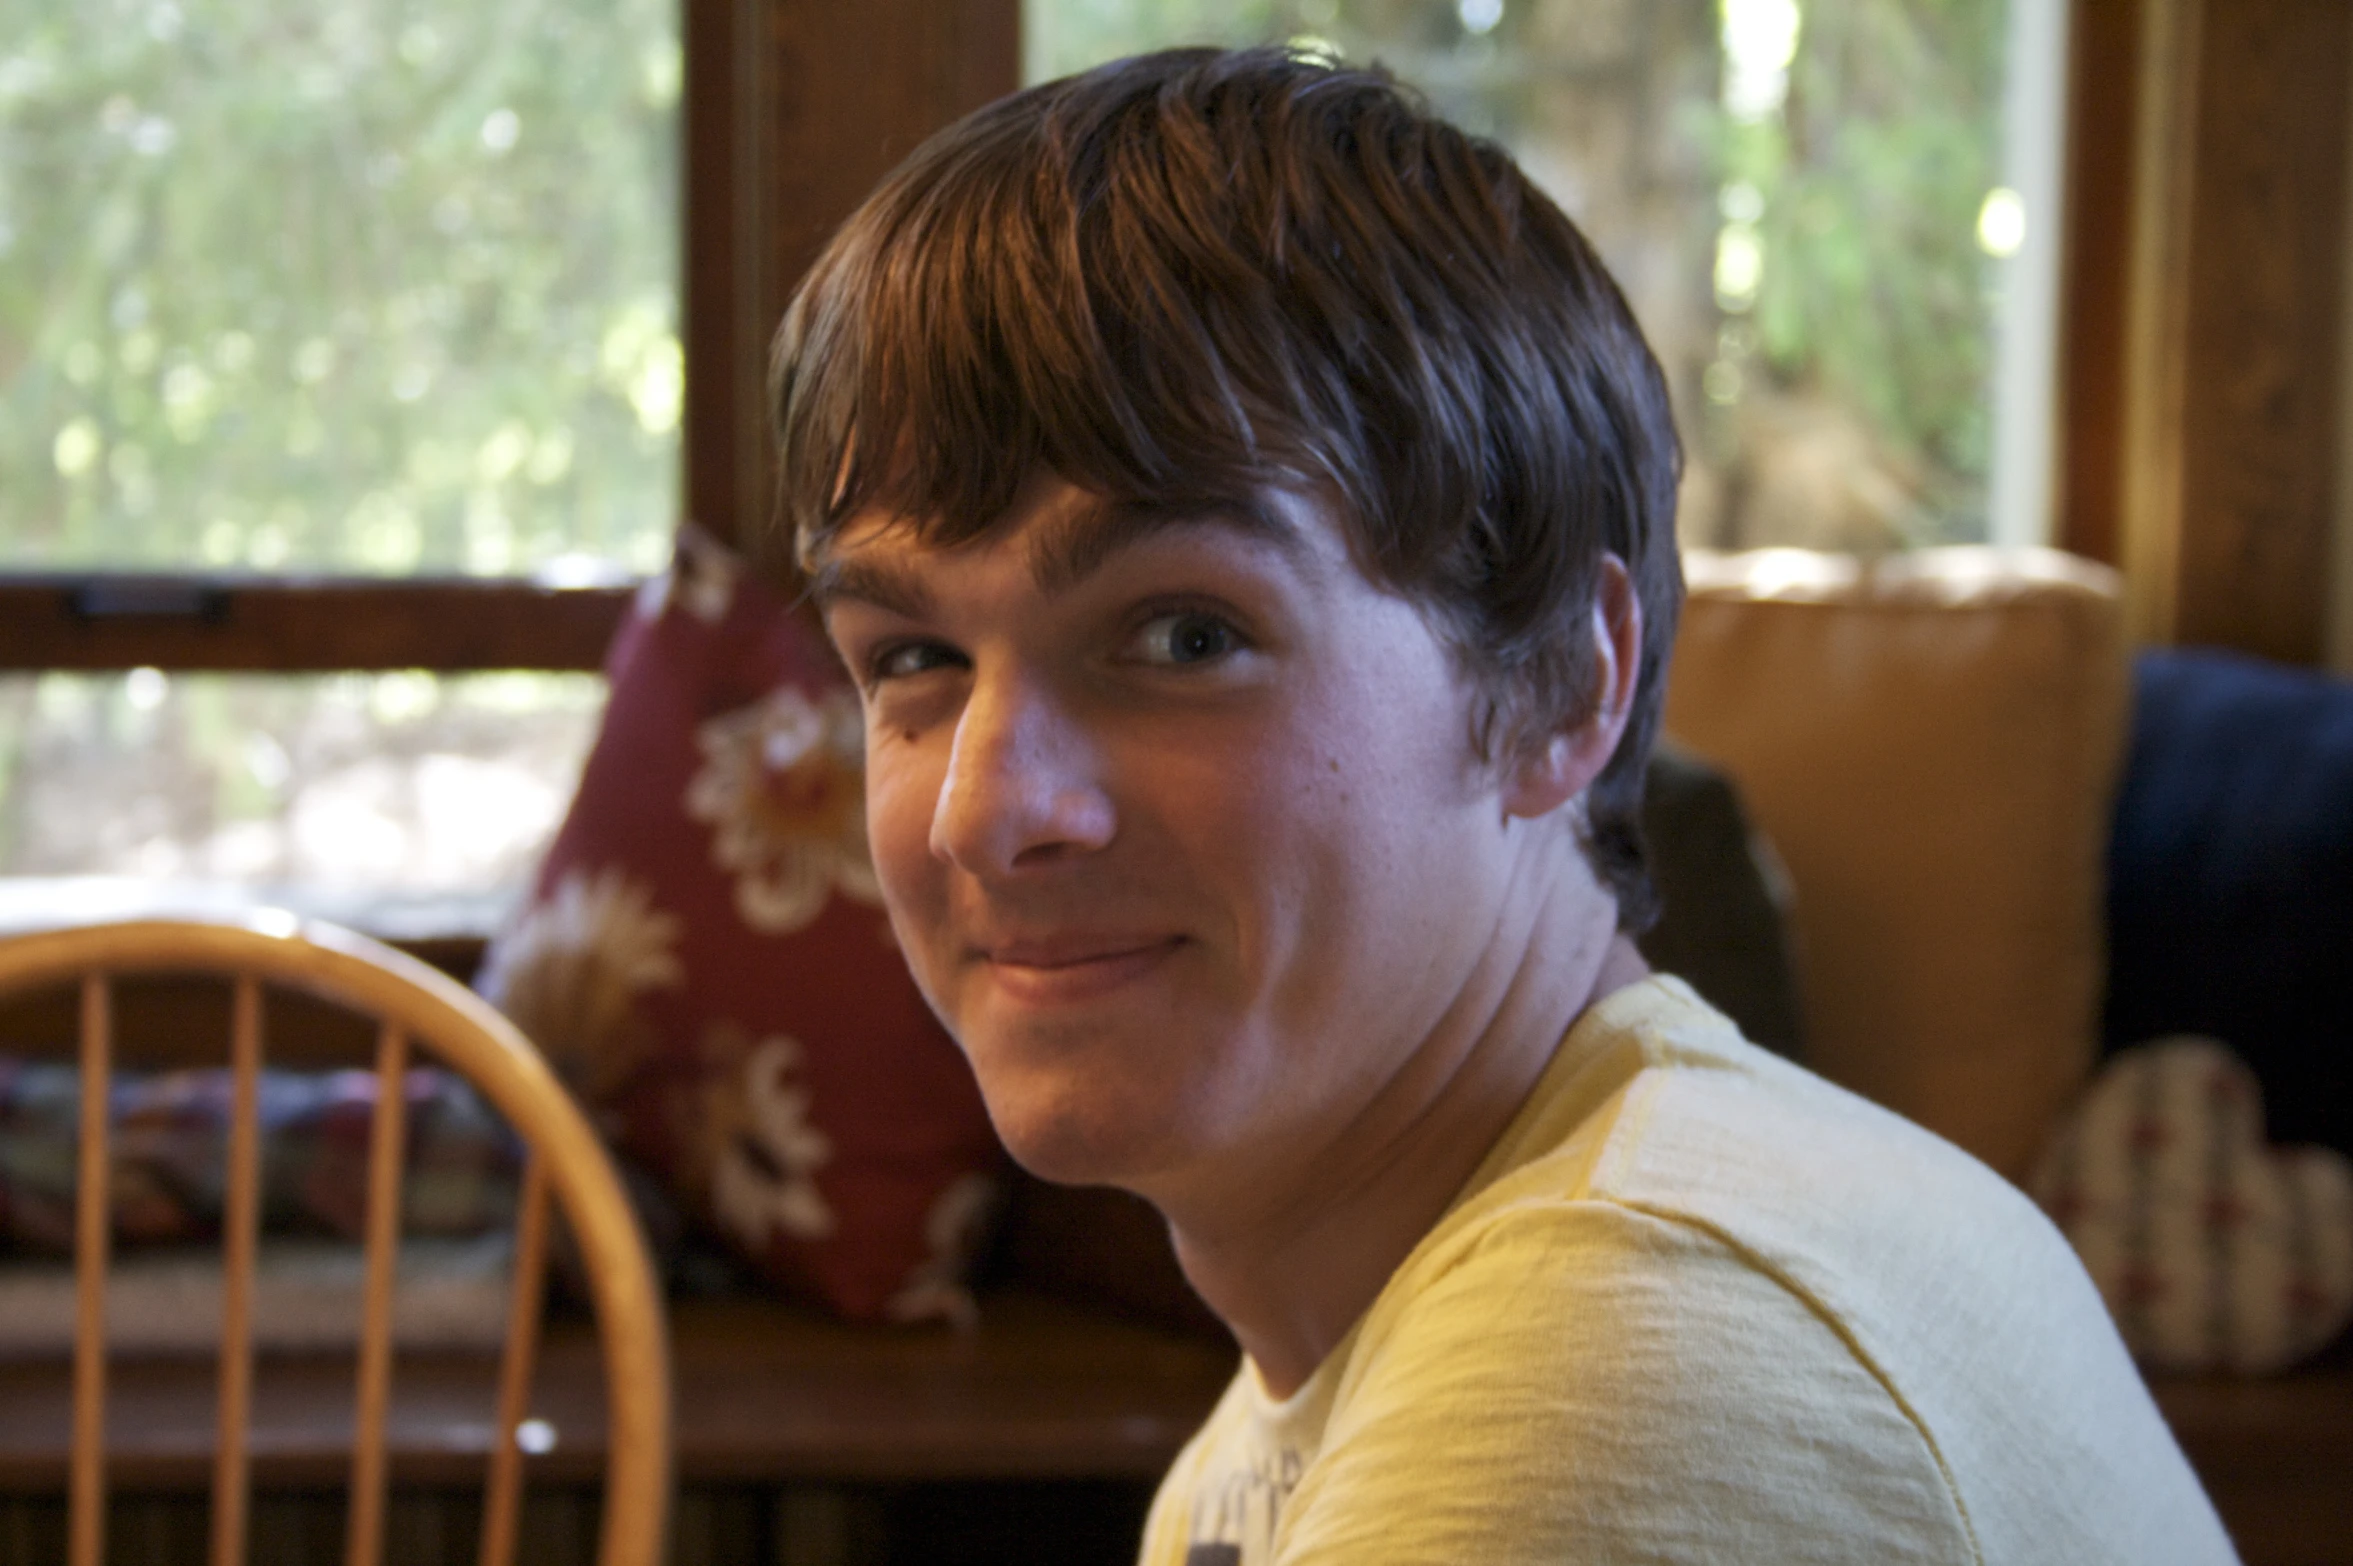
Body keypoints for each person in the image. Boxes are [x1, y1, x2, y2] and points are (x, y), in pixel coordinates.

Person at [763, 46, 2237, 1566]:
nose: (987, 809)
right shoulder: (1345, 1384)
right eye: (916, 658)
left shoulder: (1624, 1354)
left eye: (1187, 634)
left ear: (1560, 684)